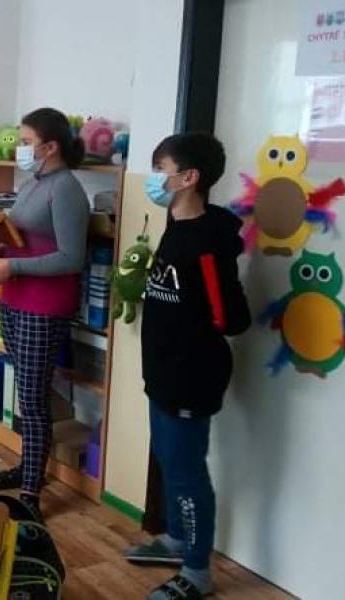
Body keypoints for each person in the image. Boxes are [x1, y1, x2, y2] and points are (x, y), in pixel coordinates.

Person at [124, 133, 250, 600]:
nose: (154, 177)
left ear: (188, 178)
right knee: (168, 459)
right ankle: (177, 539)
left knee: (186, 474)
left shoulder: (206, 242)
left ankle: (197, 571)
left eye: (161, 169)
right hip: (163, 373)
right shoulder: (175, 226)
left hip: (191, 377)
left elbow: (232, 318)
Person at [0, 107, 90, 521]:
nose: (21, 149)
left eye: (26, 142)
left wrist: (15, 265)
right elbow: (20, 234)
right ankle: (27, 468)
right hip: (15, 297)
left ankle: (30, 493)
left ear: (51, 147)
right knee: (25, 393)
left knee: (33, 398)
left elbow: (71, 258)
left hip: (43, 306)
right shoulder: (34, 182)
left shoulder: (66, 190)